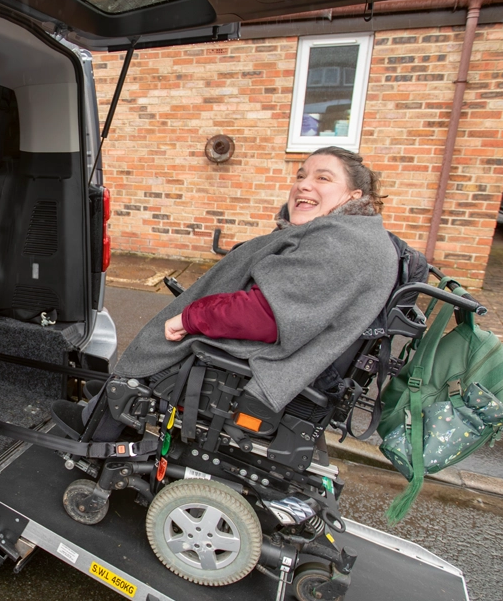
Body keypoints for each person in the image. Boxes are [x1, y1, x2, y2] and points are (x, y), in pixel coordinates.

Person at [112, 146, 399, 416]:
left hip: (255, 367)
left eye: (322, 178)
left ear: (353, 195)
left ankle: (103, 423)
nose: (303, 184)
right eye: (301, 175)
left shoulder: (341, 242)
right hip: (279, 356)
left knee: (139, 373)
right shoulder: (350, 233)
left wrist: (189, 318)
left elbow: (266, 315)